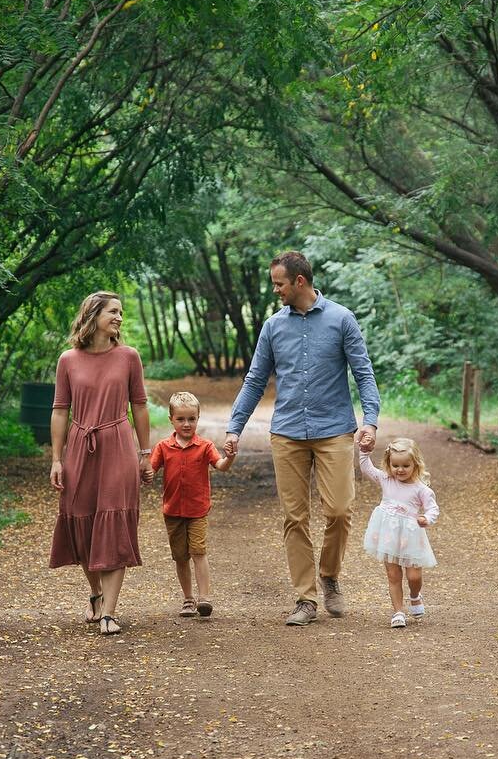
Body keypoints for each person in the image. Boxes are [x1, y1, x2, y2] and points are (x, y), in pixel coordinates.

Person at [224, 251, 380, 626]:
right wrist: (234, 427)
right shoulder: (273, 327)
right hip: (288, 433)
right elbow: (255, 380)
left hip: (335, 431)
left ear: (299, 281)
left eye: (279, 283)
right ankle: (306, 599)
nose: (274, 290)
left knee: (340, 511)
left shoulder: (342, 319)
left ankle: (329, 576)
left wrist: (370, 420)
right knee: (295, 518)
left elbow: (364, 373)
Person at [48, 291, 153, 636]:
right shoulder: (68, 360)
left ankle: (109, 611)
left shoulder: (128, 357)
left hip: (118, 444)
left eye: (121, 313)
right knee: (82, 522)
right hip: (80, 446)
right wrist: (56, 459)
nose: (120, 318)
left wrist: (144, 452)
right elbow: (60, 410)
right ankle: (96, 594)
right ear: (93, 315)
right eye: (113, 311)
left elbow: (139, 406)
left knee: (114, 522)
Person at [148, 391, 236, 619]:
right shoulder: (163, 447)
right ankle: (188, 598)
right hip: (173, 511)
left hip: (197, 510)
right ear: (171, 419)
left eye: (191, 419)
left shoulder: (205, 446)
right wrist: (141, 470)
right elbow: (150, 471)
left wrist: (230, 457)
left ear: (198, 418)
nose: (186, 424)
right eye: (181, 419)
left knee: (198, 551)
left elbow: (221, 466)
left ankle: (204, 598)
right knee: (180, 556)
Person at [358, 438, 440, 628]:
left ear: (415, 465)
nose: (400, 470)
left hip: (410, 537)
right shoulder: (386, 479)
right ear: (389, 463)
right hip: (388, 536)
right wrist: (364, 451)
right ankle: (398, 612)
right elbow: (367, 469)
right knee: (393, 575)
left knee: (413, 577)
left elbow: (433, 509)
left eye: (405, 465)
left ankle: (414, 595)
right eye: (395, 465)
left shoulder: (421, 489)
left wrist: (426, 519)